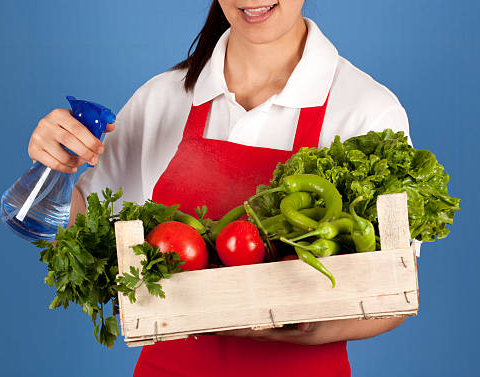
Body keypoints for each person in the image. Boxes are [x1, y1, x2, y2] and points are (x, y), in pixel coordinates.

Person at [28, 1, 409, 376]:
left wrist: (305, 328)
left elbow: (395, 297)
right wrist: (55, 169)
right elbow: (78, 239)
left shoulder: (366, 109)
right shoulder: (162, 99)